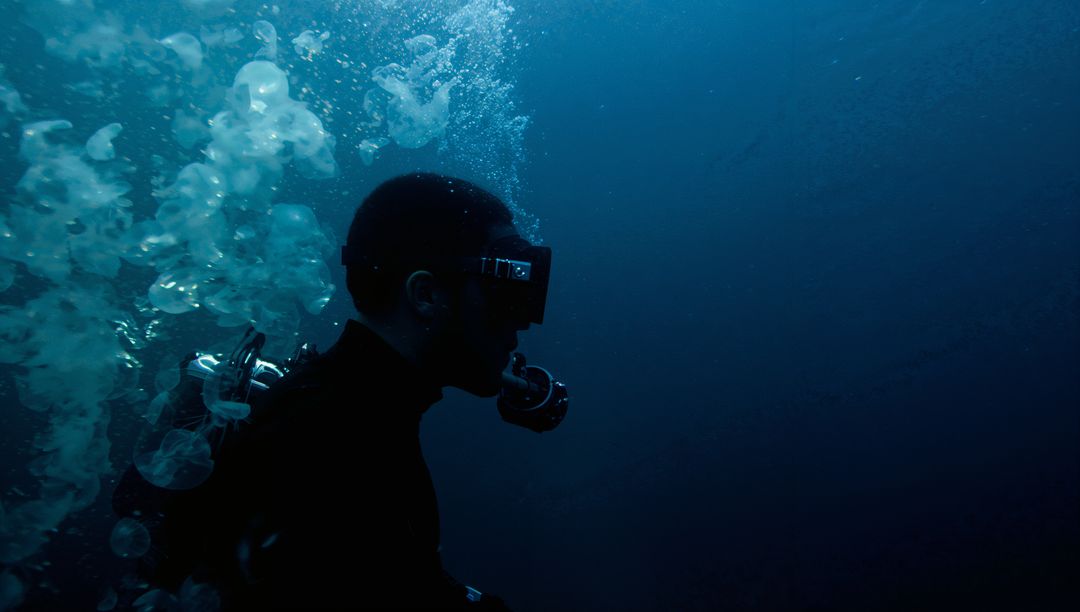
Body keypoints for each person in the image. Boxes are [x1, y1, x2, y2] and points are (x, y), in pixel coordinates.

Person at [137, 173, 551, 609]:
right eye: (504, 292)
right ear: (426, 294)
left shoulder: (341, 409)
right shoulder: (335, 444)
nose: (523, 319)